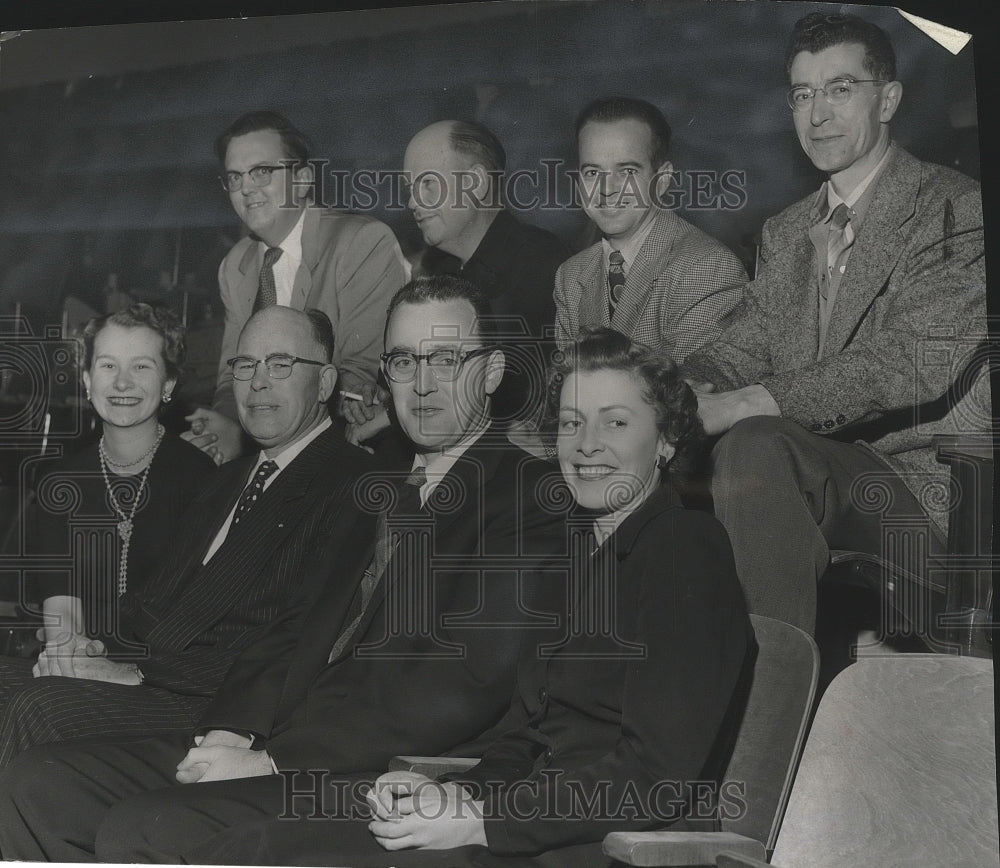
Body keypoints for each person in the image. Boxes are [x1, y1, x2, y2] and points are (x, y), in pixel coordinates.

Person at [87, 328, 755, 867]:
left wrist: (484, 818)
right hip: (521, 818)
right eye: (573, 423)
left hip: (592, 842)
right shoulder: (583, 550)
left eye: (615, 423)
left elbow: (653, 773)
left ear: (666, 439)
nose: (586, 447)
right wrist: (449, 790)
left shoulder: (684, 549)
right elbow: (527, 735)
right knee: (235, 845)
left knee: (256, 854)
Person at [0, 276, 571, 862]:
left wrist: (276, 758)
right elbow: (294, 627)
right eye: (403, 360)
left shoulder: (530, 498)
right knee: (37, 788)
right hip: (281, 731)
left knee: (143, 826)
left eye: (446, 359)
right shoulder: (381, 490)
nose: (422, 383)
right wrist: (235, 727)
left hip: (390, 775)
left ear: (493, 371)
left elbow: (461, 686)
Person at [681, 12, 988, 634]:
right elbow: (743, 342)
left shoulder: (959, 209)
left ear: (889, 101)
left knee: (755, 441)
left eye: (840, 88)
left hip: (923, 491)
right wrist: (673, 389)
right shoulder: (787, 231)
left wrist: (744, 403)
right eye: (802, 94)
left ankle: (765, 692)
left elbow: (906, 361)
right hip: (814, 469)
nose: (817, 113)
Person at [0, 305, 377, 769]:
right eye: (245, 366)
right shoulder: (227, 481)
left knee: (39, 706)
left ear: (325, 383)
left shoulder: (353, 481)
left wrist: (133, 672)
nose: (258, 382)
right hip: (159, 672)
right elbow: (154, 605)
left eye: (280, 364)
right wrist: (89, 650)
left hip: (221, 702)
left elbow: (292, 639)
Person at [0, 303, 212, 685]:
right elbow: (61, 611)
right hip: (79, 663)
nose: (122, 383)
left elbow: (200, 620)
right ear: (86, 379)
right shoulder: (58, 483)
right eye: (108, 365)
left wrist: (118, 669)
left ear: (168, 384)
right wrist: (70, 649)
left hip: (167, 676)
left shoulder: (203, 480)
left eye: (141, 366)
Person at [183, 110, 408, 464]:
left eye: (261, 172)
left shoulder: (361, 241)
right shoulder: (235, 266)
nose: (246, 188)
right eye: (235, 177)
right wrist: (222, 424)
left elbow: (359, 374)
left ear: (302, 179)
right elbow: (232, 373)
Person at [351, 120, 570, 444]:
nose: (412, 202)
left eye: (427, 184)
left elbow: (520, 409)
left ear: (476, 182)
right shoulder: (438, 272)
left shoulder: (548, 269)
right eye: (410, 189)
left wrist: (392, 419)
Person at [554, 97, 746, 362]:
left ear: (663, 179)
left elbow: (691, 396)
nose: (607, 189)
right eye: (591, 172)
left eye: (628, 171)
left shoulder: (706, 267)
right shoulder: (570, 276)